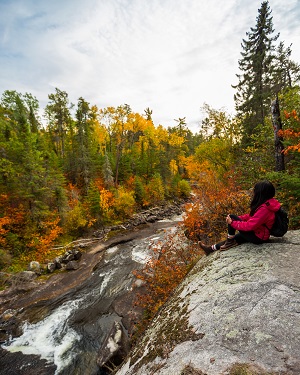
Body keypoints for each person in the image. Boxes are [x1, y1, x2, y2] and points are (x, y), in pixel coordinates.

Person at [199, 180, 281, 255]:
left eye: (255, 191)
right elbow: (252, 216)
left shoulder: (265, 209)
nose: (254, 193)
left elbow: (250, 225)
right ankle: (210, 249)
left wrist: (232, 222)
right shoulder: (267, 204)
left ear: (260, 193)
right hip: (258, 232)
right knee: (233, 238)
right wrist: (238, 218)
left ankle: (229, 241)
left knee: (231, 222)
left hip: (258, 237)